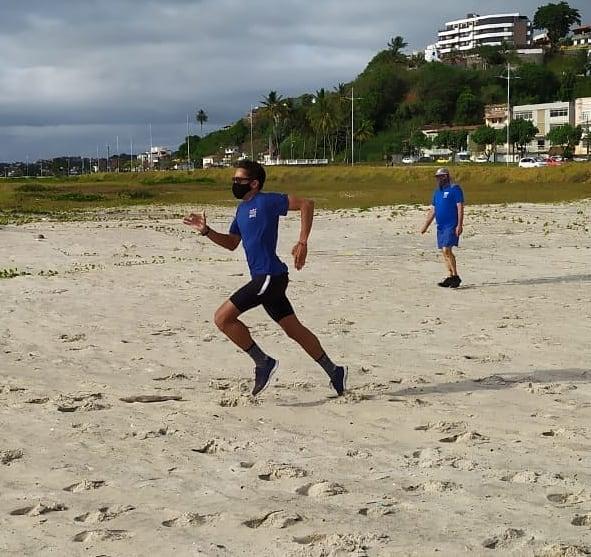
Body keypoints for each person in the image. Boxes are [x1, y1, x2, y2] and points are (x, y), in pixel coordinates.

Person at [183, 160, 347, 397]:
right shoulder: (240, 210)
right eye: (233, 180)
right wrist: (207, 231)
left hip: (269, 276)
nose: (234, 184)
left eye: (238, 180)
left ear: (254, 183)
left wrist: (303, 242)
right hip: (270, 278)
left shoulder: (268, 201)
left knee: (222, 319)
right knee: (294, 329)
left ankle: (263, 362)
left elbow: (306, 204)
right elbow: (232, 243)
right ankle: (334, 371)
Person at [420, 167, 465, 288]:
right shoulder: (437, 192)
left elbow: (460, 207)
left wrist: (459, 225)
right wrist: (425, 226)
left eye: (440, 177)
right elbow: (433, 210)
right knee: (444, 252)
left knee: (446, 249)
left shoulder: (455, 189)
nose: (438, 179)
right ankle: (450, 276)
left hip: (451, 225)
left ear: (446, 177)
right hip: (441, 226)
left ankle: (456, 276)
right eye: (437, 177)